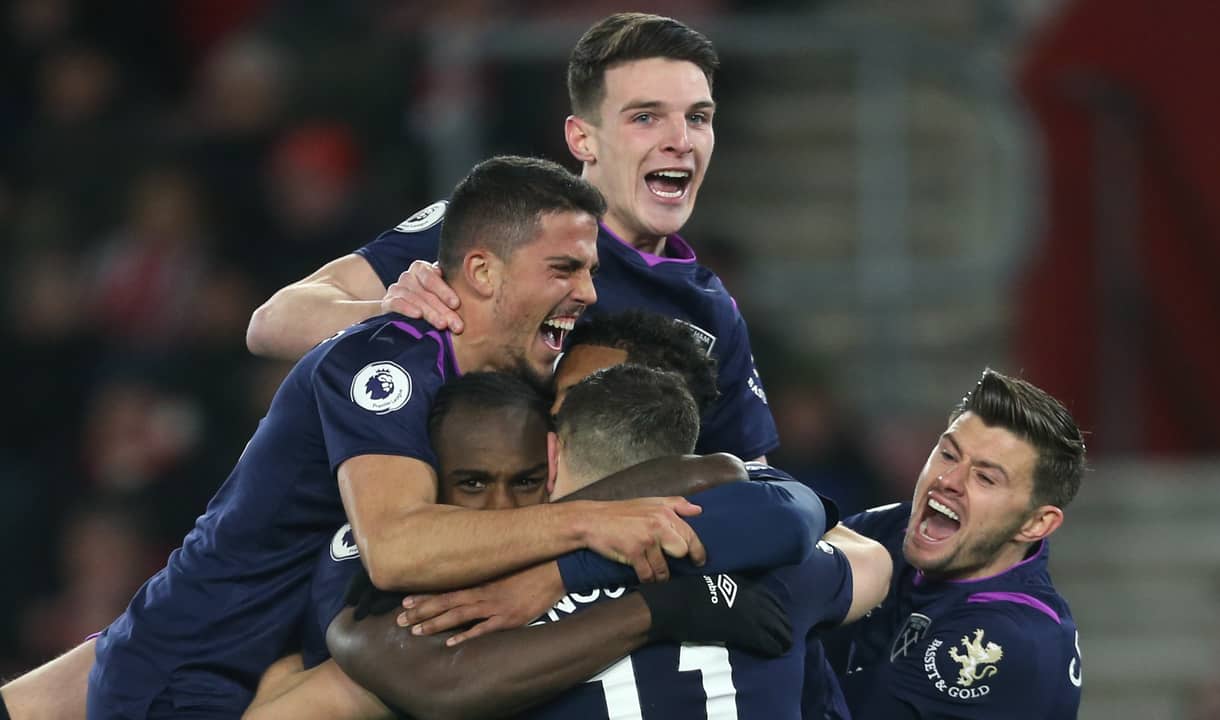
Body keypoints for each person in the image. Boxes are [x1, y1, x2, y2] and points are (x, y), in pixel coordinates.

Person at [83, 156, 711, 720]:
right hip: (194, 673)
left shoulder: (514, 376)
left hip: (299, 661)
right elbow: (397, 545)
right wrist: (588, 527)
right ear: (484, 272)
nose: (588, 293)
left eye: (591, 270)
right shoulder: (385, 365)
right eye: (564, 269)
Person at [244, 12, 779, 463]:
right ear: (582, 138)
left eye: (698, 118)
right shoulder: (494, 226)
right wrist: (393, 316)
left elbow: (751, 479)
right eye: (646, 118)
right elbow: (273, 322)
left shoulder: (709, 311)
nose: (680, 141)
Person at [244, 369, 800, 720]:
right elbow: (437, 689)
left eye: (527, 482)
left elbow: (782, 505)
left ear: (554, 466)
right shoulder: (377, 590)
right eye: (473, 484)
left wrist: (559, 567)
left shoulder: (631, 536)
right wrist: (663, 608)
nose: (503, 510)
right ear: (430, 485)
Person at [824, 369, 1086, 719]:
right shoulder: (899, 528)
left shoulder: (1008, 639)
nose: (948, 481)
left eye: (986, 478)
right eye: (948, 454)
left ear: (1036, 523)